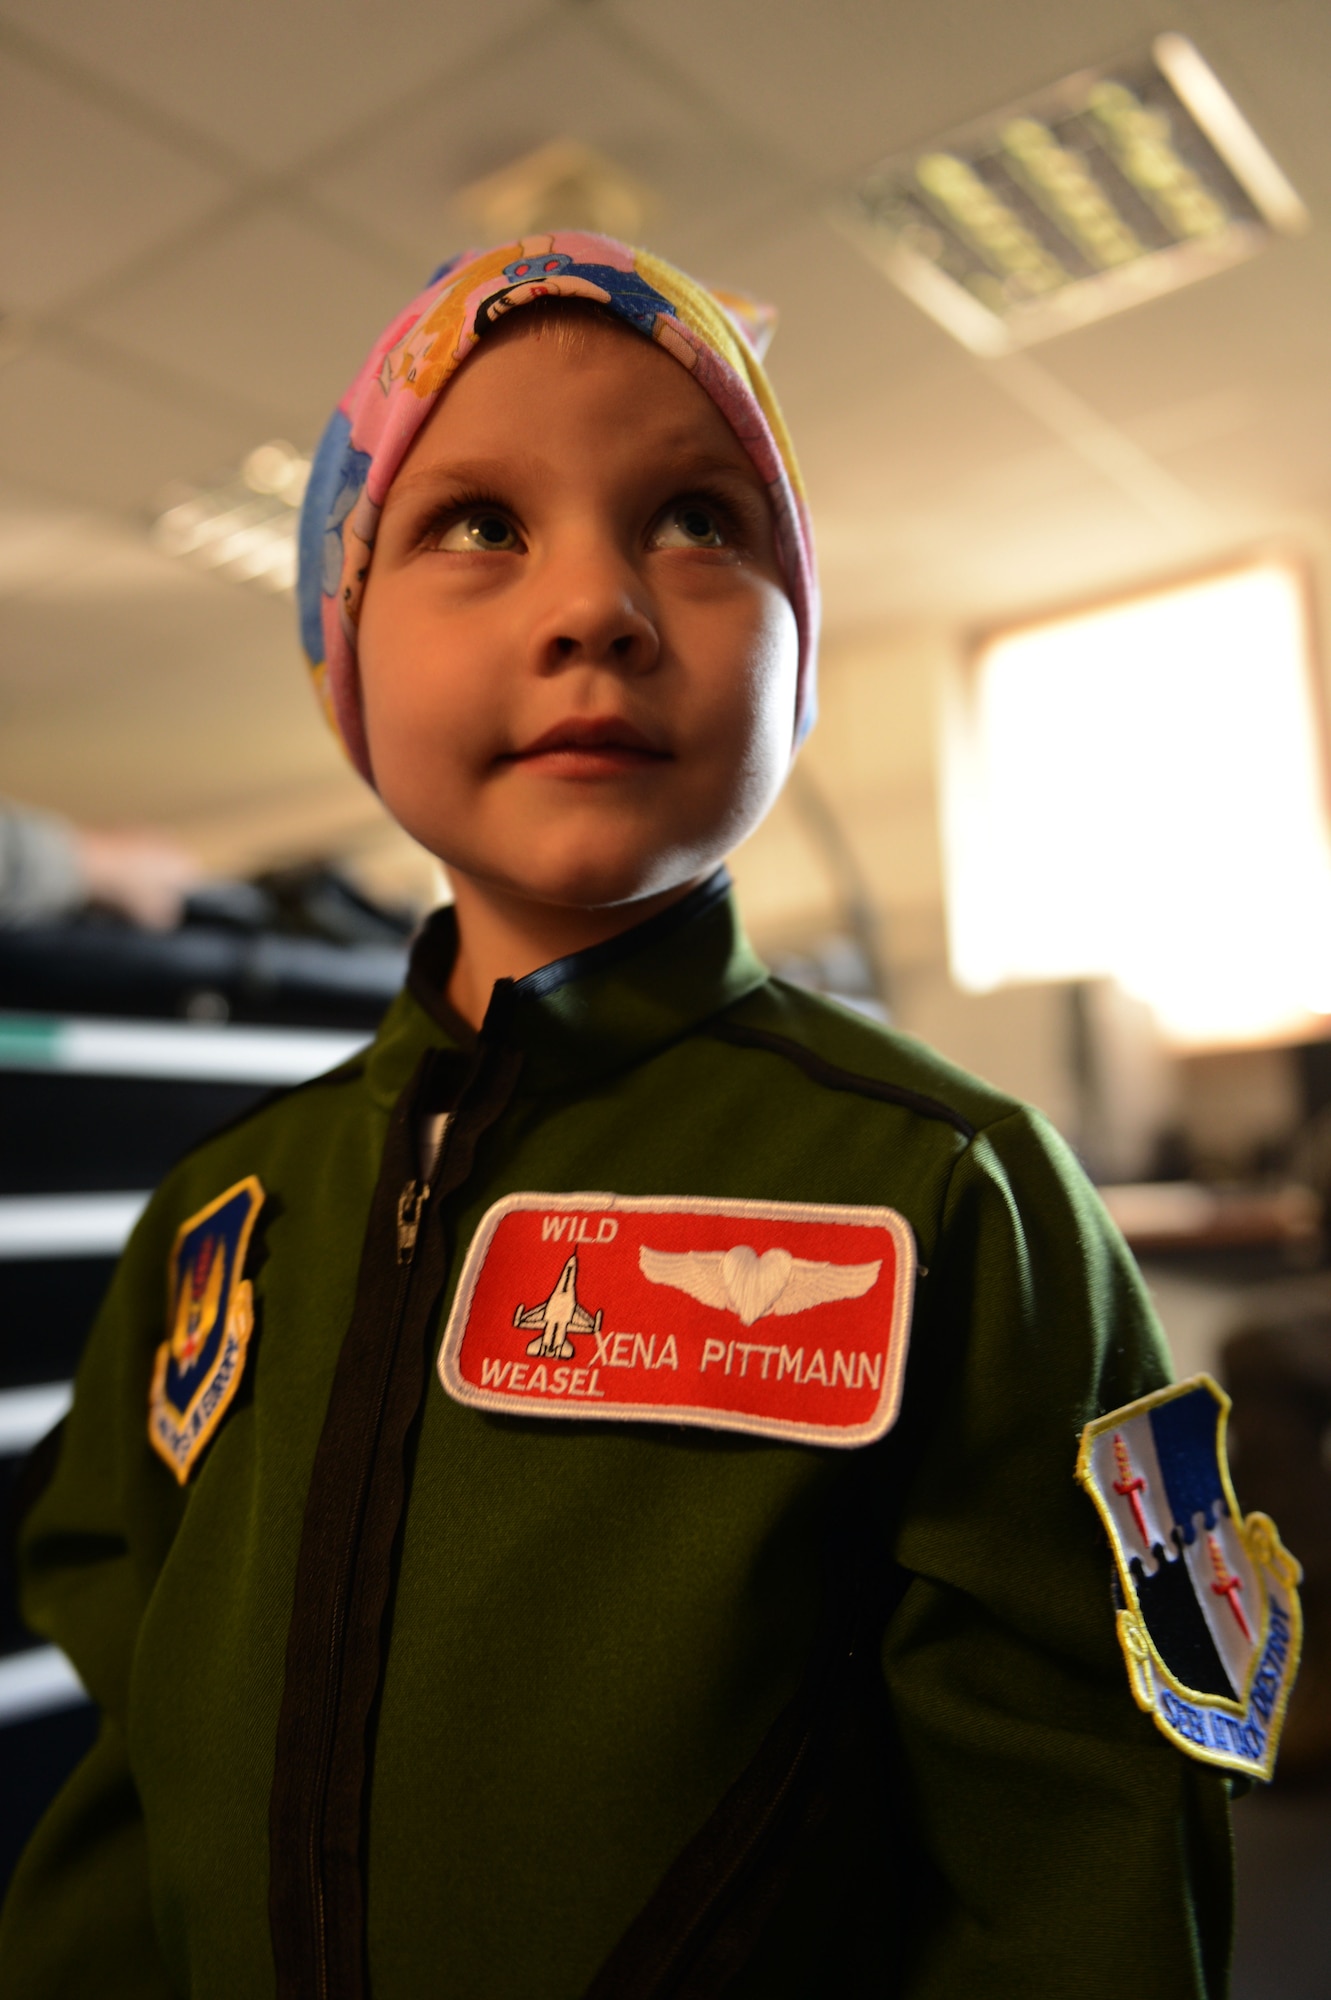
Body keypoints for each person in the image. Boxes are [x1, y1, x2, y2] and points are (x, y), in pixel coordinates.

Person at [0, 233, 1278, 1998]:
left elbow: (1086, 1864)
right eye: (476, 525)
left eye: (695, 519)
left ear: (800, 648)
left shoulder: (949, 1195)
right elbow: (127, 1768)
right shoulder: (224, 1215)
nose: (596, 602)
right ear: (347, 650)